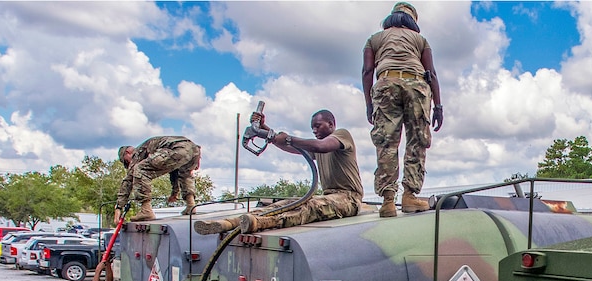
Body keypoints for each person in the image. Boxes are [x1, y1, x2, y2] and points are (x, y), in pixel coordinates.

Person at [194, 109, 363, 235]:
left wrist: (288, 137)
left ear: (331, 124)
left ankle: (259, 222)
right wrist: (266, 131)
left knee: (309, 207)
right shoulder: (316, 146)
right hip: (329, 196)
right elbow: (290, 146)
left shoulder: (341, 135)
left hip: (349, 198)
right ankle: (228, 223)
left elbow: (319, 146)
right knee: (286, 204)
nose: (314, 131)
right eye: (312, 128)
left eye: (318, 126)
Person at [362, 1, 444, 218]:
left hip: (385, 82)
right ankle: (409, 196)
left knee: (386, 143)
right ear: (412, 20)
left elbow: (367, 70)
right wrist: (438, 106)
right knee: (417, 140)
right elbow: (432, 74)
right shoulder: (421, 40)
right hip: (416, 85)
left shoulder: (374, 39)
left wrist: (369, 104)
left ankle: (388, 202)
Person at [115, 136, 202, 223]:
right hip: (194, 150)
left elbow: (128, 180)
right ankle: (191, 205)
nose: (129, 164)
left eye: (126, 162)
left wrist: (119, 207)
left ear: (128, 152)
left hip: (178, 149)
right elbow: (174, 170)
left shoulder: (137, 152)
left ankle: (146, 211)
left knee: (140, 169)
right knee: (185, 174)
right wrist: (174, 193)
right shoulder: (154, 145)